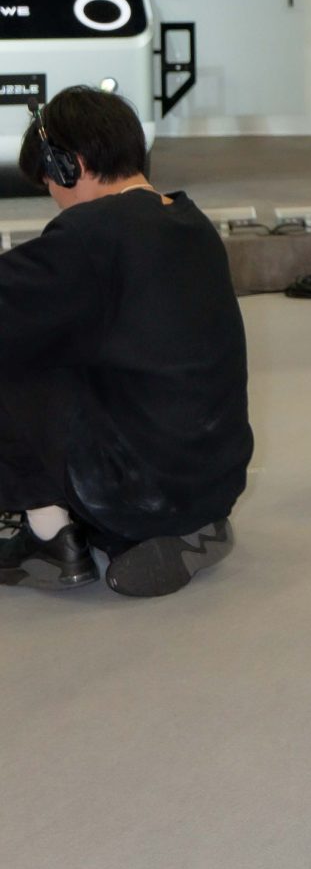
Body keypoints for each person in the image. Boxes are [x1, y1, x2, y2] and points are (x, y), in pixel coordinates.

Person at [0, 88, 252, 599]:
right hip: (212, 479)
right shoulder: (189, 221)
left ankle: (49, 536)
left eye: (50, 183)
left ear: (71, 164)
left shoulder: (91, 234)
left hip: (131, 488)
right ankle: (181, 526)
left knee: (21, 349)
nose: (55, 199)